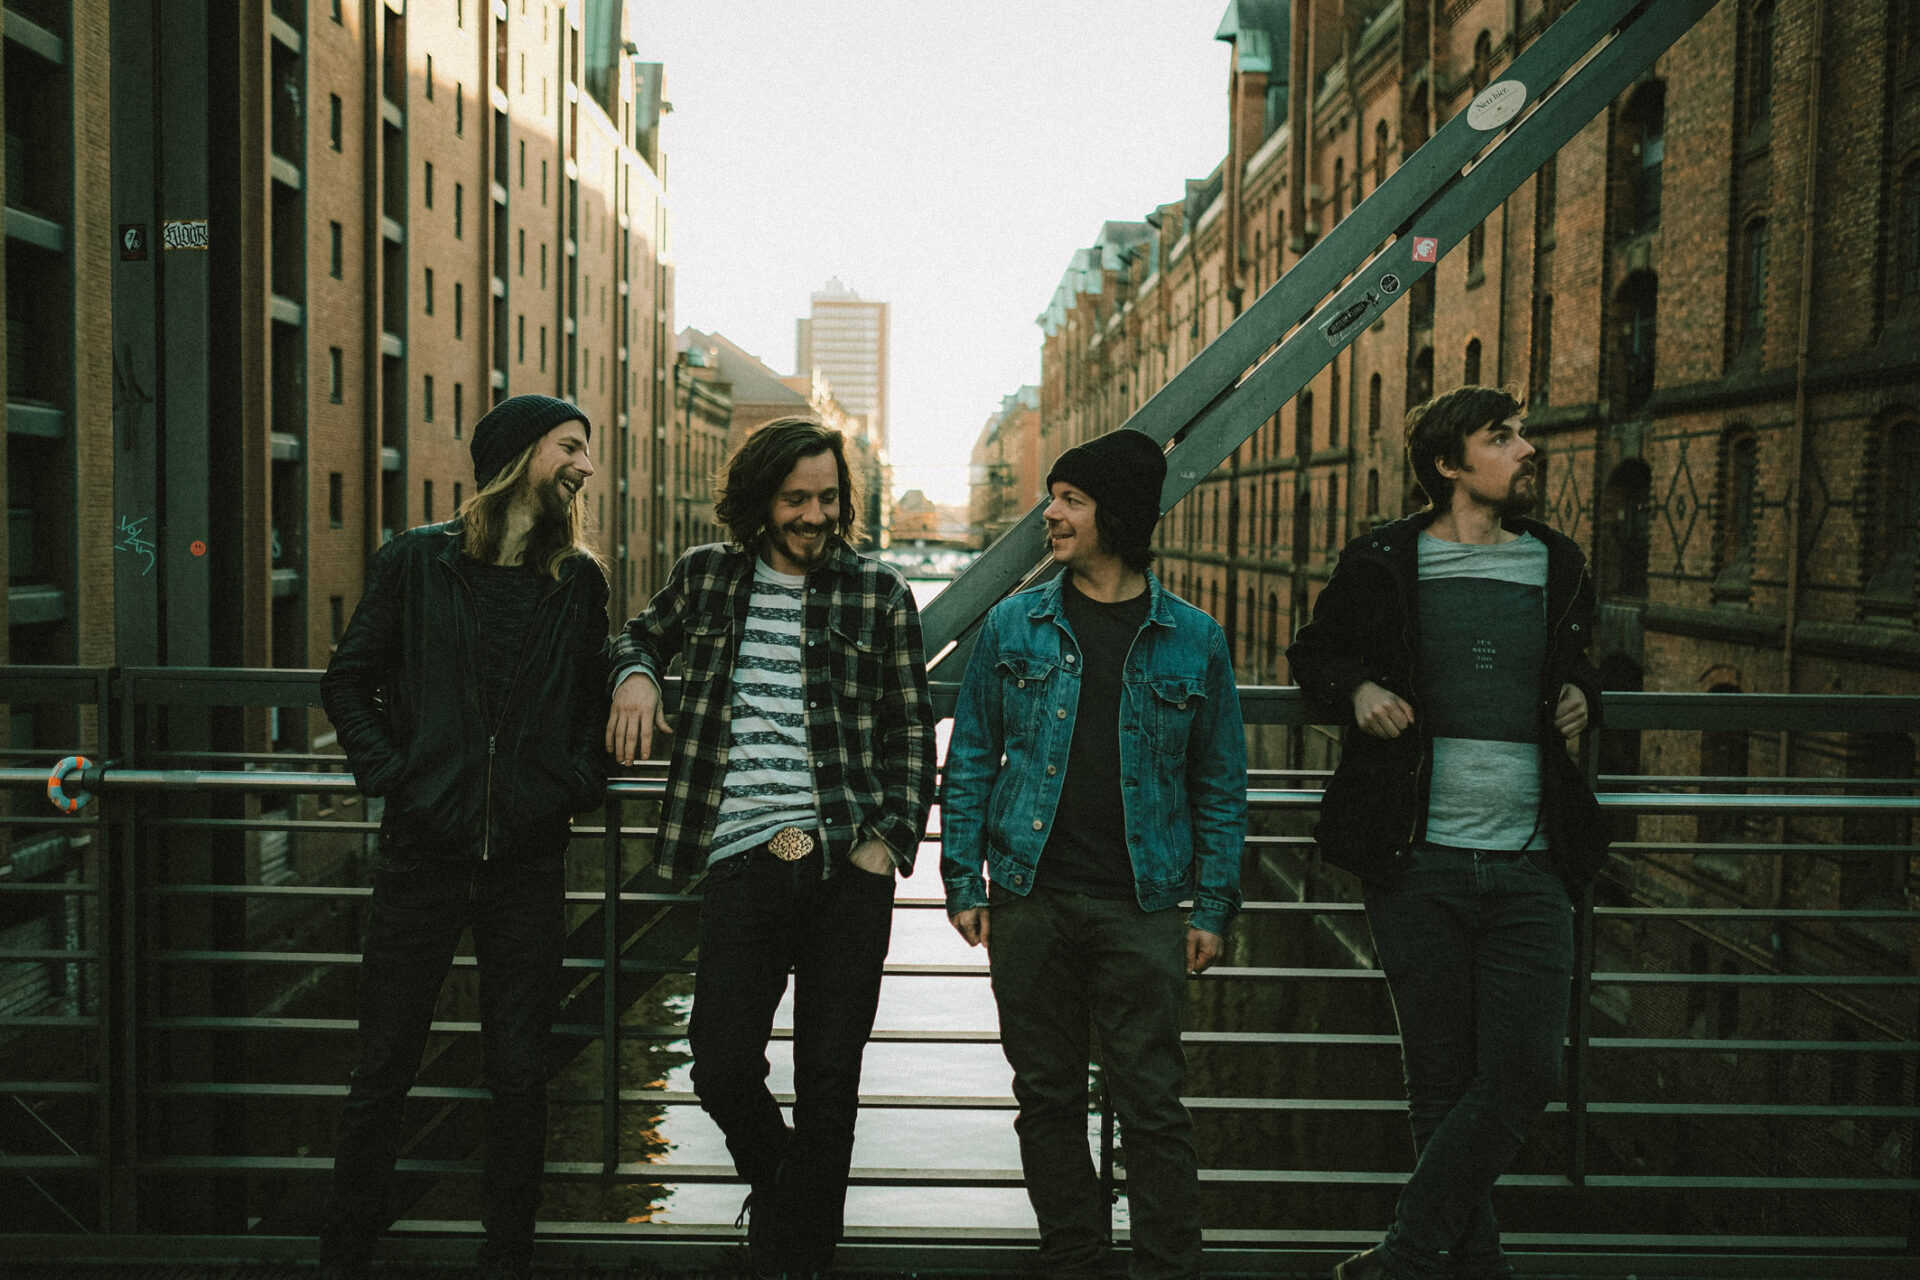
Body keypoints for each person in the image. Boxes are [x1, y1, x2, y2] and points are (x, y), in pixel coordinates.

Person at [603, 417, 937, 1279]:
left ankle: (798, 1258)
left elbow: (910, 727)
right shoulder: (706, 577)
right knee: (719, 1064)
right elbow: (636, 634)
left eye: (827, 498)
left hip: (845, 866)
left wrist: (889, 841)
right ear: (759, 501)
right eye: (795, 499)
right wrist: (636, 674)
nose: (814, 516)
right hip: (744, 863)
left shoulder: (879, 591)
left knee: (829, 1082)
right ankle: (788, 1202)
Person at [1287, 385, 1607, 1280]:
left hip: (1532, 859)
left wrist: (1583, 689)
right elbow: (1314, 654)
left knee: (1524, 1072)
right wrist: (1357, 690)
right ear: (1447, 464)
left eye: (1522, 435)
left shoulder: (1557, 561)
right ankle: (1470, 1266)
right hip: (1416, 859)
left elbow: (1573, 660)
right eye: (1503, 438)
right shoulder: (1385, 560)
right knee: (1438, 1082)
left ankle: (1406, 1256)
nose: (1527, 450)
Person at [942, 429, 1248, 1280]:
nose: (1051, 513)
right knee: (1045, 1096)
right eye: (1054, 496)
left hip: (1143, 906)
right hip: (1030, 898)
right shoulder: (1015, 624)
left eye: (1071, 500)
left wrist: (1214, 907)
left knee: (1152, 1102)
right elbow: (970, 759)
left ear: (1117, 515)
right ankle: (1074, 1258)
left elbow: (1220, 785)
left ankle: (1166, 1266)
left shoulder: (1194, 640)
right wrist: (964, 880)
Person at [318, 395, 612, 1280]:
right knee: (383, 1068)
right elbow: (347, 682)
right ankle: (345, 1254)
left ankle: (507, 1253)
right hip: (423, 855)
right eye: (570, 447)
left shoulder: (577, 581)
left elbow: (595, 708)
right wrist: (398, 777)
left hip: (527, 862)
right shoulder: (417, 562)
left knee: (520, 1074)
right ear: (519, 456)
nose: (585, 466)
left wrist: (568, 785)